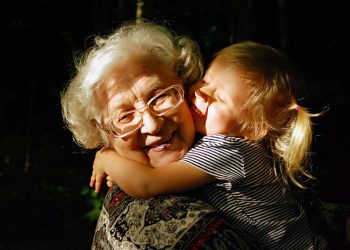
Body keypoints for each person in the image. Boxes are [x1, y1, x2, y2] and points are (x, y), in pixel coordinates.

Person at [90, 41, 330, 249]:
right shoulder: (226, 144)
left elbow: (146, 183)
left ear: (253, 129)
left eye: (220, 98)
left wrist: (107, 158)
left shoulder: (228, 150)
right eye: (206, 80)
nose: (203, 93)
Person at [61, 21, 259, 249]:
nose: (152, 125)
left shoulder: (228, 145)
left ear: (185, 88)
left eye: (160, 97)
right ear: (103, 133)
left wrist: (108, 158)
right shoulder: (166, 226)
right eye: (125, 116)